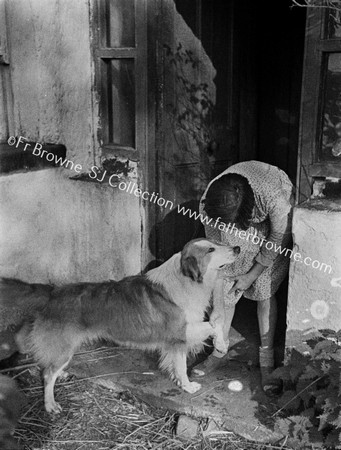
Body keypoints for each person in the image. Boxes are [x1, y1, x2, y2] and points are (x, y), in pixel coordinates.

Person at [192, 160, 294, 390]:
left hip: (270, 224)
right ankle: (220, 350)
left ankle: (266, 360)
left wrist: (251, 276)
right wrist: (217, 304)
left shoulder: (275, 198)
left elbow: (276, 240)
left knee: (264, 289)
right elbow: (217, 257)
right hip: (237, 215)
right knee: (227, 284)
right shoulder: (210, 203)